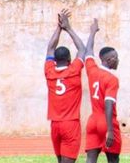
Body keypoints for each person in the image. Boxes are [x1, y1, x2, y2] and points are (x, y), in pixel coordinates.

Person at [45, 9, 86, 163]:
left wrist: (58, 28)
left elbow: (50, 48)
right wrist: (68, 28)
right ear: (69, 59)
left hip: (55, 124)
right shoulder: (74, 70)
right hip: (71, 124)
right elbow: (82, 49)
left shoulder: (49, 71)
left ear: (54, 60)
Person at [84, 18, 122, 163]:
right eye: (116, 58)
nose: (118, 60)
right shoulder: (112, 79)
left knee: (91, 158)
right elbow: (108, 104)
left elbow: (88, 51)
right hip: (106, 121)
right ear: (109, 60)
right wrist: (110, 130)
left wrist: (92, 32)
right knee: (113, 159)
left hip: (93, 120)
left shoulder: (92, 70)